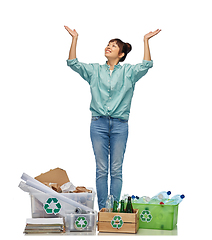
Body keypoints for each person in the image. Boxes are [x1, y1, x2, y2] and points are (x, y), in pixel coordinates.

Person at [64, 26, 161, 210]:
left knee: (116, 169)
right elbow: (73, 63)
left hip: (120, 125)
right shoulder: (94, 70)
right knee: (101, 169)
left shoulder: (129, 72)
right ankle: (103, 210)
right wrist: (75, 38)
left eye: (114, 46)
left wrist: (146, 41)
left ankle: (114, 209)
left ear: (121, 54)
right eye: (108, 44)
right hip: (98, 124)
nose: (108, 47)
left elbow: (147, 65)